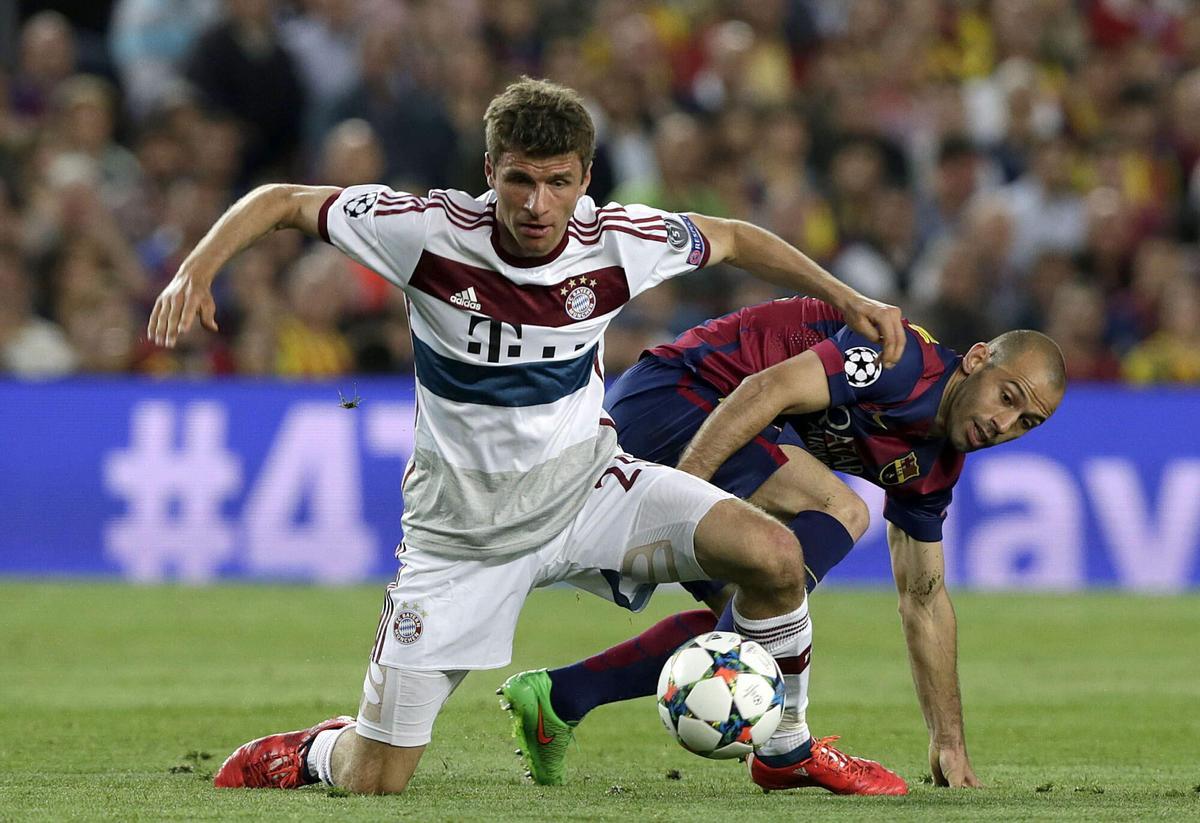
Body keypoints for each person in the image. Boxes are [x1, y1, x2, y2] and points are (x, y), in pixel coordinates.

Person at [147, 77, 909, 797]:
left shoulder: (618, 242)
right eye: (519, 180)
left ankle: (786, 750)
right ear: (490, 171)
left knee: (775, 555)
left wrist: (846, 296)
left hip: (591, 492)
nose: (537, 203)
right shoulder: (425, 233)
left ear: (584, 179)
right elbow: (281, 200)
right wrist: (195, 270)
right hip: (461, 540)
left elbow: (737, 238)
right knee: (376, 775)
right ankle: (315, 748)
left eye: (557, 181)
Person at [499, 299, 1065, 791]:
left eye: (1025, 422)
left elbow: (926, 599)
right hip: (681, 395)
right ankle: (786, 751)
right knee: (842, 509)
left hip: (717, 429)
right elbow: (762, 389)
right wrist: (682, 494)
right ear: (976, 359)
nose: (1003, 422)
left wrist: (949, 741)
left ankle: (560, 698)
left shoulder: (933, 469)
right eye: (1007, 396)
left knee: (757, 623)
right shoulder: (898, 360)